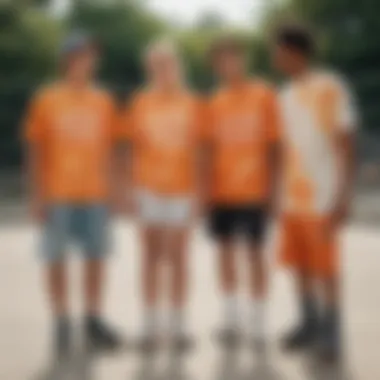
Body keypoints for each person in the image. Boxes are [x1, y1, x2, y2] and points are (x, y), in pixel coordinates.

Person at [23, 32, 123, 357]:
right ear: (67, 60)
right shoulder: (47, 98)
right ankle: (61, 322)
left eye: (92, 56)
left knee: (96, 258)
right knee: (56, 259)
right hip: (57, 194)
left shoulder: (103, 100)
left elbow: (111, 149)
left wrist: (115, 190)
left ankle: (92, 320)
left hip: (95, 193)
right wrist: (36, 196)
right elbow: (35, 149)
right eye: (81, 55)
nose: (87, 61)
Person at [273, 24, 357, 362]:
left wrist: (343, 196)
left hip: (322, 197)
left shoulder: (330, 87)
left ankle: (332, 335)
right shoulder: (285, 95)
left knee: (326, 270)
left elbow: (346, 144)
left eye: (277, 51)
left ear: (294, 52)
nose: (274, 58)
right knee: (301, 267)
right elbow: (285, 148)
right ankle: (308, 324)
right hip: (293, 199)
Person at [122, 39, 204, 351]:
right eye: (156, 65)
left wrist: (199, 193)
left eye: (167, 63)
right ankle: (149, 325)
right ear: (149, 69)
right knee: (150, 257)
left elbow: (199, 151)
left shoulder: (191, 102)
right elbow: (133, 147)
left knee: (179, 258)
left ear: (178, 66)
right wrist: (131, 189)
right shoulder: (140, 102)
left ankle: (179, 325)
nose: (162, 70)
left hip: (182, 191)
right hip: (148, 189)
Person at [205, 36, 281, 347]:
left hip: (254, 192)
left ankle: (259, 322)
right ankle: (231, 318)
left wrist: (274, 190)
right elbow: (209, 149)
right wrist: (206, 192)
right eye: (223, 60)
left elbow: (275, 146)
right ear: (216, 66)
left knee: (254, 255)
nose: (229, 64)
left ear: (243, 60)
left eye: (234, 57)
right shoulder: (215, 102)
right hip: (222, 193)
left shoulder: (263, 95)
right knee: (225, 255)